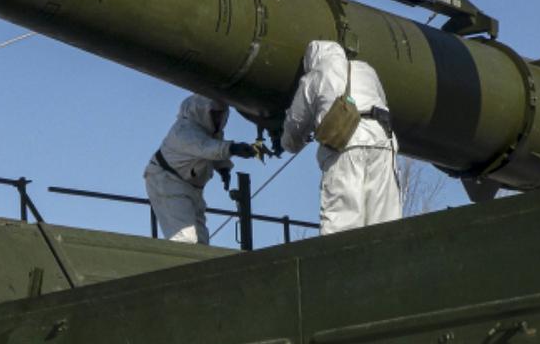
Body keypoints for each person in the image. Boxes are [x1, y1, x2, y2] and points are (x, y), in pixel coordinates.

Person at [280, 40, 401, 235]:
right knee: (385, 219)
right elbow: (382, 101)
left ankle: (343, 265)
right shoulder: (367, 70)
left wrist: (287, 143)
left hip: (344, 145)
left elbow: (295, 127)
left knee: (342, 222)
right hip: (382, 141)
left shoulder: (315, 75)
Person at [144, 94, 256, 244]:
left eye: (221, 115)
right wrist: (233, 148)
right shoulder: (184, 131)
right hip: (167, 182)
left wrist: (223, 168)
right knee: (185, 239)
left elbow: (214, 145)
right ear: (202, 111)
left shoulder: (209, 132)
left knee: (201, 241)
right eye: (214, 114)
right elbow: (206, 148)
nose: (218, 119)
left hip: (191, 188)